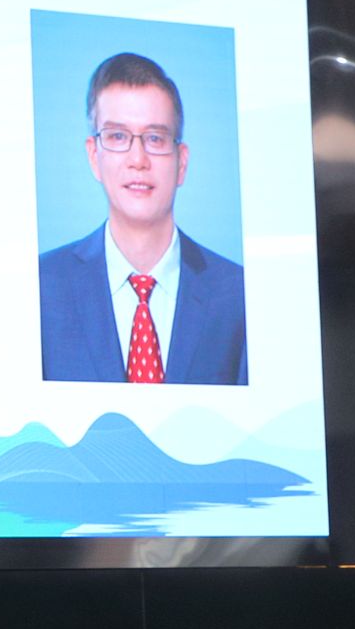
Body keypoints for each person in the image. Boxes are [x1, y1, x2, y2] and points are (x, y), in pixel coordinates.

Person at [39, 52, 248, 385]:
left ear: (181, 162)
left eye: (155, 139)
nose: (138, 159)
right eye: (118, 136)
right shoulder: (42, 287)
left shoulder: (238, 294)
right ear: (93, 156)